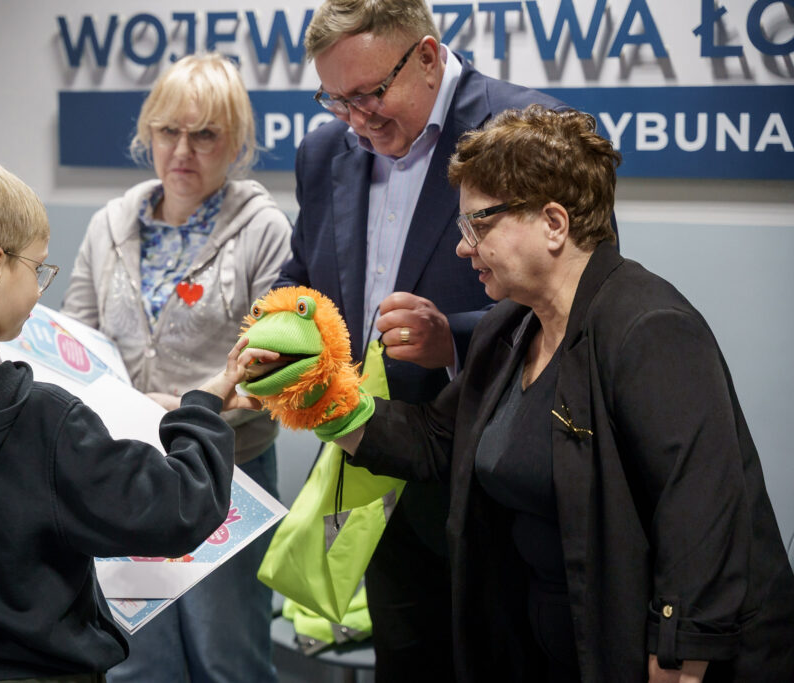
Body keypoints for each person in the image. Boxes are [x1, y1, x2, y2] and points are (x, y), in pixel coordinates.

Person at [327, 105, 794, 681]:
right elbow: (436, 440)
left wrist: (678, 660)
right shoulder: (508, 326)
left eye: (477, 225)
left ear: (553, 222)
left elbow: (700, 517)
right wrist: (319, 399)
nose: (463, 247)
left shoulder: (650, 328)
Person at [0, 155, 270, 683]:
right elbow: (181, 507)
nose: (40, 287)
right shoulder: (44, 420)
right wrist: (200, 410)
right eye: (38, 269)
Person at [273, 0, 566, 675]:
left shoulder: (529, 130)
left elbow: (572, 307)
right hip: (378, 473)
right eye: (336, 99)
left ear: (428, 56)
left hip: (494, 484)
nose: (357, 119)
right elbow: (305, 276)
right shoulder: (324, 151)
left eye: (371, 93)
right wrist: (276, 329)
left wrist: (455, 340)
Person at [60, 53, 291, 683]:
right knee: (140, 659)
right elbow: (74, 343)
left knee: (227, 658)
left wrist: (188, 408)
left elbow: (275, 368)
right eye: (168, 131)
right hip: (126, 468)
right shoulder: (110, 226)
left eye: (205, 134)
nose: (182, 150)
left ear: (236, 143)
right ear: (148, 135)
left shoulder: (264, 230)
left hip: (227, 470)